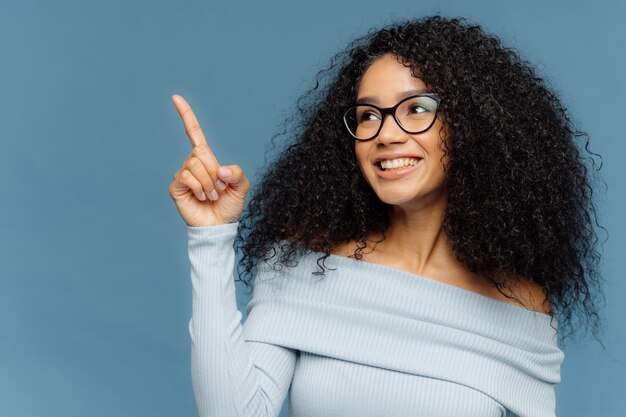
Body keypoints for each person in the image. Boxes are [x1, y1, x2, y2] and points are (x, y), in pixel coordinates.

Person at [168, 15, 605, 417]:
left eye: (416, 108)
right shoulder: (303, 263)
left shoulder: (520, 304)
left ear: (472, 124)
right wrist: (211, 237)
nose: (386, 133)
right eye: (368, 115)